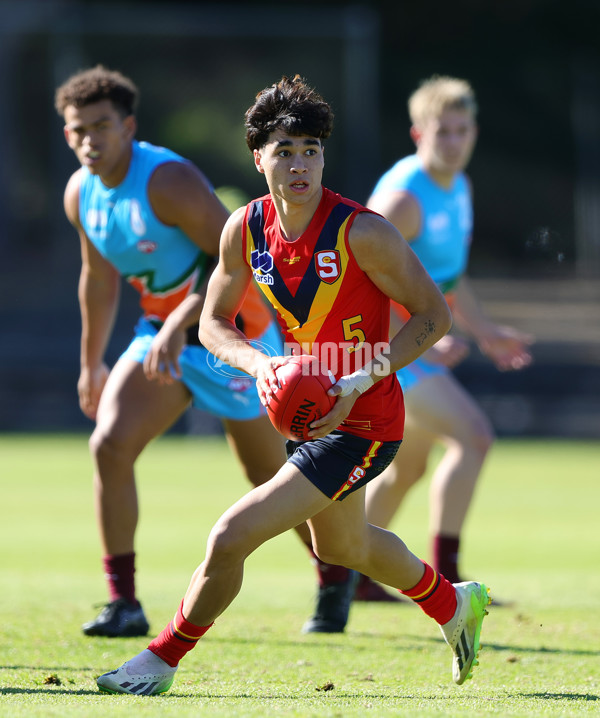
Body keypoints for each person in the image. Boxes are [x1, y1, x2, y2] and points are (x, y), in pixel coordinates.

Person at [96, 74, 491, 696]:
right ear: (259, 158)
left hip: (365, 420)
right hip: (307, 413)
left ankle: (161, 659)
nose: (300, 164)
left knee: (231, 535)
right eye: (285, 150)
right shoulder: (244, 229)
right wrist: (263, 366)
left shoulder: (363, 231)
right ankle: (451, 604)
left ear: (324, 157)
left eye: (311, 149)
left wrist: (366, 374)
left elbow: (433, 317)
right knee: (345, 547)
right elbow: (214, 322)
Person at [55, 65, 300, 638]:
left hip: (235, 335)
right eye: (77, 130)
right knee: (110, 446)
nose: (89, 139)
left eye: (101, 126)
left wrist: (178, 325)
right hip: (161, 337)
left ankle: (336, 574)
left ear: (129, 126)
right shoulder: (79, 193)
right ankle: (124, 603)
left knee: (270, 474)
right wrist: (91, 361)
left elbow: (237, 260)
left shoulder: (166, 179)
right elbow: (96, 278)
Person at [351, 75, 533, 602]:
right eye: (442, 131)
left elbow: (448, 280)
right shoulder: (404, 199)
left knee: (407, 467)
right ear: (417, 133)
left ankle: (353, 574)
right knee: (474, 435)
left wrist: (487, 332)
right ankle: (449, 578)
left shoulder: (460, 187)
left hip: (414, 344)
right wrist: (419, 338)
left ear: (474, 131)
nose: (453, 142)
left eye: (462, 130)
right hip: (387, 350)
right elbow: (355, 284)